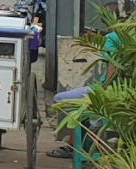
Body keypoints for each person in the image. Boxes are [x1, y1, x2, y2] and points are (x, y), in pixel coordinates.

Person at [46, 27, 122, 158]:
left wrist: (104, 89)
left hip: (105, 90)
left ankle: (74, 144)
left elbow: (113, 66)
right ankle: (83, 141)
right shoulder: (131, 40)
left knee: (61, 99)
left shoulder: (113, 38)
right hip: (121, 89)